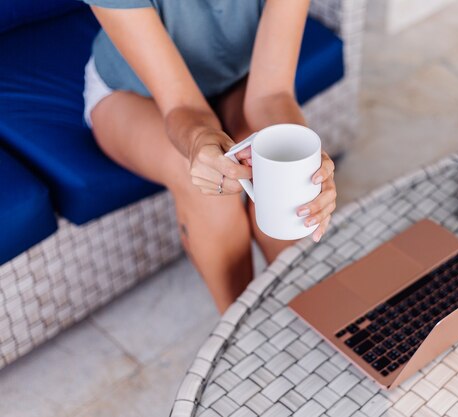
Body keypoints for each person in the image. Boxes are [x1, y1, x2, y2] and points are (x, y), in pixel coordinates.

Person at [83, 0, 337, 313]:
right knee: (202, 179)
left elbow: (271, 94)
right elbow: (182, 106)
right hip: (132, 93)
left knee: (282, 171)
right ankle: (240, 325)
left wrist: (301, 161)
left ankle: (307, 317)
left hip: (238, 80)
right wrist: (200, 144)